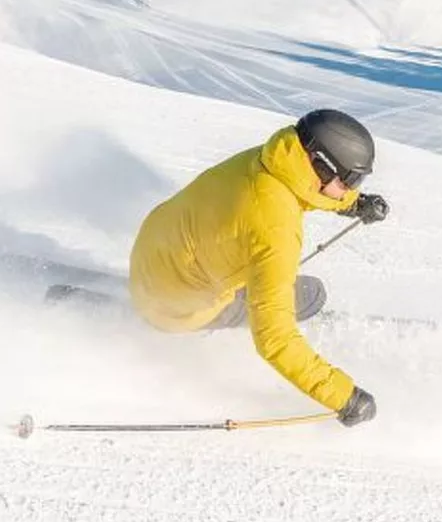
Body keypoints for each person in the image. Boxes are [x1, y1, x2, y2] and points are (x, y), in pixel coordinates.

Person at [128, 109, 389, 426]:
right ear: (322, 165)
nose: (353, 187)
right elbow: (275, 339)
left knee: (257, 267)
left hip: (153, 250)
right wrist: (344, 396)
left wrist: (353, 204)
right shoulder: (276, 230)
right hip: (175, 306)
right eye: (351, 179)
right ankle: (159, 317)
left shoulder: (267, 159)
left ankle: (155, 296)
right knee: (311, 294)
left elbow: (305, 186)